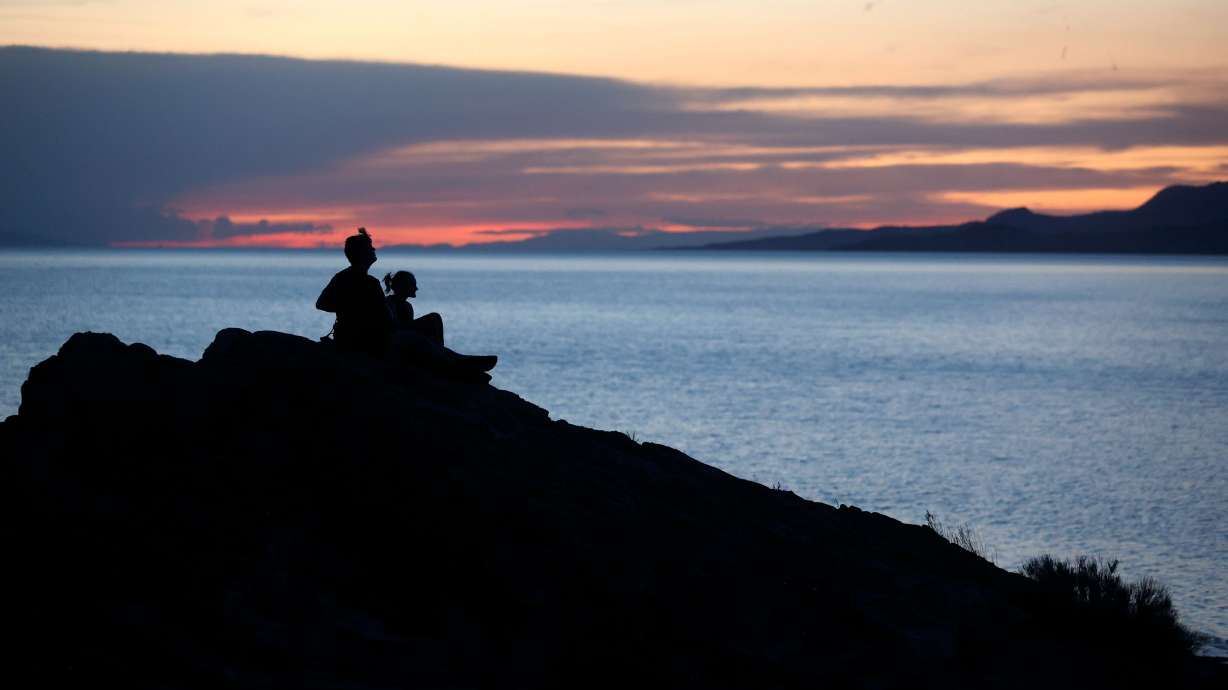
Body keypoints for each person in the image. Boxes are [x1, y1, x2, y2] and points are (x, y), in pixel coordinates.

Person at [316, 228, 391, 356]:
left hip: (344, 336)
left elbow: (321, 303)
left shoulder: (341, 276)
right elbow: (387, 318)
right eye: (370, 247)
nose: (374, 249)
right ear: (361, 253)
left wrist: (346, 308)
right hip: (363, 340)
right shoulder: (371, 283)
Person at [383, 270, 444, 346]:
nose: (416, 288)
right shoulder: (389, 303)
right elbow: (393, 328)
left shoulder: (407, 306)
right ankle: (439, 349)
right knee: (435, 318)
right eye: (413, 285)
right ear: (404, 286)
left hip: (404, 338)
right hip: (395, 341)